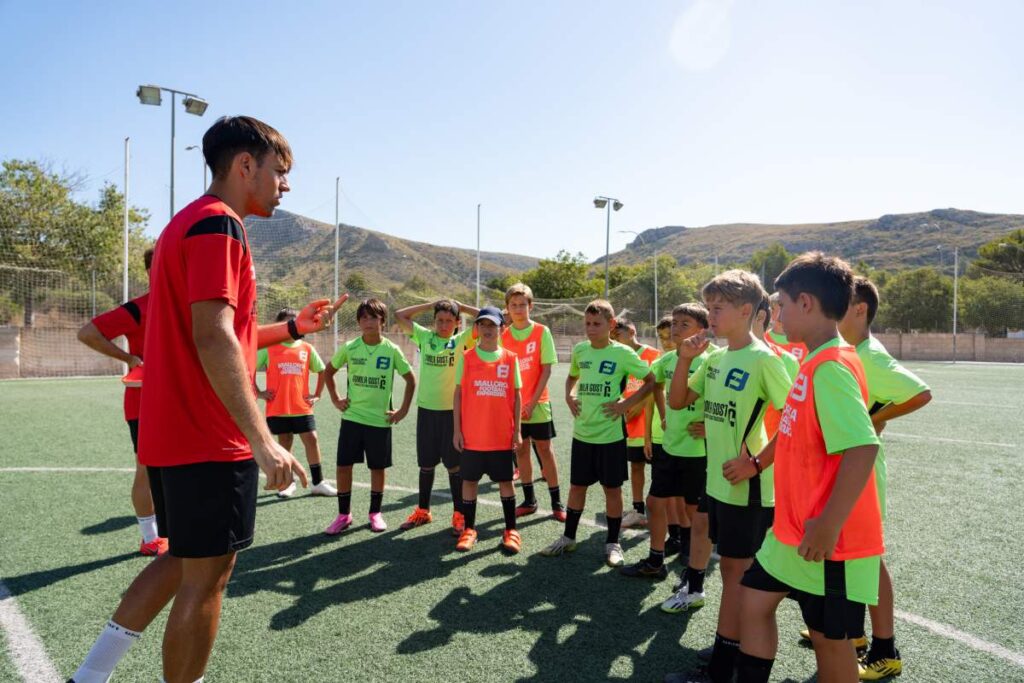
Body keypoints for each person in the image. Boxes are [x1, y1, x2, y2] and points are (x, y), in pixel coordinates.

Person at [70, 115, 339, 683]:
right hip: (209, 436)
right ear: (246, 165)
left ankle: (89, 677)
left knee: (180, 560)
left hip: (173, 431)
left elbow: (227, 333)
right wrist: (262, 440)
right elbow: (213, 335)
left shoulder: (183, 225)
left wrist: (292, 331)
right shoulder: (220, 225)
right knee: (207, 576)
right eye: (280, 172)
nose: (285, 185)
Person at [734, 252, 883, 683]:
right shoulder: (811, 359)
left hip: (828, 541)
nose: (775, 313)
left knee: (829, 642)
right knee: (753, 600)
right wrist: (758, 464)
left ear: (806, 303)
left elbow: (862, 449)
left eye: (780, 303)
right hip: (791, 533)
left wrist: (828, 525)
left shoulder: (832, 367)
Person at [663, 270, 792, 683]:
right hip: (717, 485)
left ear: (745, 311)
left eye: (717, 308)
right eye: (709, 306)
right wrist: (684, 359)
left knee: (736, 577)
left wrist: (756, 463)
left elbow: (796, 421)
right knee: (733, 577)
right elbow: (679, 400)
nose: (710, 315)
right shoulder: (716, 358)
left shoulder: (763, 360)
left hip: (747, 489)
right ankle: (726, 653)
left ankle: (723, 667)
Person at [831, 275, 930, 680]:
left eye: (842, 301)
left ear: (860, 310)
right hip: (842, 469)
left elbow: (920, 393)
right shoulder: (846, 351)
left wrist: (875, 417)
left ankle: (885, 650)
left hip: (864, 472)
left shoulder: (870, 356)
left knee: (868, 556)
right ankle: (853, 636)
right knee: (847, 553)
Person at [540, 300, 655, 567]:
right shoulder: (581, 351)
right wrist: (569, 396)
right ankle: (568, 538)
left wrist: (626, 404)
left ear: (611, 325)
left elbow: (650, 381)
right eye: (588, 324)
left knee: (611, 489)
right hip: (583, 434)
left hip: (610, 435)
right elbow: (572, 377)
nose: (591, 329)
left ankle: (613, 543)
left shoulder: (623, 354)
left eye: (597, 324)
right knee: (577, 486)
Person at [77, 248, 168, 556]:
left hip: (181, 400)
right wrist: (129, 358)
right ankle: (150, 536)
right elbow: (88, 333)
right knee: (146, 469)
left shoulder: (189, 306)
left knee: (181, 469)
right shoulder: (139, 308)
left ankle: (176, 531)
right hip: (144, 402)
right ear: (152, 270)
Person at [621, 304, 713, 586]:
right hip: (670, 446)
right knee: (654, 502)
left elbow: (727, 402)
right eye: (674, 323)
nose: (675, 329)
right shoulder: (667, 360)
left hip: (698, 452)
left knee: (693, 511)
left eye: (684, 324)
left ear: (702, 329)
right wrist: (625, 405)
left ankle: (693, 565)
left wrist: (711, 426)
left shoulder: (713, 360)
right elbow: (652, 386)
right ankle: (655, 560)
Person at [324, 298, 416, 535]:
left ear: (382, 321)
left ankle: (375, 513)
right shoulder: (350, 347)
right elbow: (329, 371)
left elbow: (410, 379)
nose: (368, 321)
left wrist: (403, 410)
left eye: (373, 317)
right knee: (344, 466)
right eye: (364, 317)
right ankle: (344, 515)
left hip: (379, 421)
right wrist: (335, 398)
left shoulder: (391, 350)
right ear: (358, 322)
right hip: (352, 418)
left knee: (377, 468)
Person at [394, 298, 479, 533]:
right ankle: (423, 511)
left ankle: (459, 514)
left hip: (452, 413)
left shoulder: (462, 340)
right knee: (426, 465)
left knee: (454, 466)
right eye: (439, 320)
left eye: (449, 321)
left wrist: (461, 306)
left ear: (457, 324)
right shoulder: (425, 337)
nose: (443, 325)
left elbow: (487, 316)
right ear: (433, 322)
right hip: (426, 411)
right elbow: (400, 314)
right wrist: (430, 304)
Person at [452, 306, 524, 553]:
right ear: (476, 329)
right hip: (472, 435)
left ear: (502, 329)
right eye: (482, 324)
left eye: (492, 325)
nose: (487, 329)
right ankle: (469, 529)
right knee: (469, 481)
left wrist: (517, 431)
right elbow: (459, 394)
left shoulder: (510, 358)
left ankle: (511, 530)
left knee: (506, 481)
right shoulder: (468, 357)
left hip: (501, 436)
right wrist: (456, 430)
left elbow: (517, 396)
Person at [255, 308, 337, 498]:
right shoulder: (269, 347)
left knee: (312, 439)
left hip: (302, 407)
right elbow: (248, 368)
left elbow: (322, 370)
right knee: (285, 442)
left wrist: (317, 394)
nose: (292, 326)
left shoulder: (307, 349)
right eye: (287, 323)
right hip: (278, 408)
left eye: (295, 322)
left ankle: (318, 482)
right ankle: (288, 483)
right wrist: (258, 392)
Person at [501, 283, 565, 522]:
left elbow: (546, 370)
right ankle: (529, 501)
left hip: (538, 404)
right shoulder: (503, 336)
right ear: (507, 308)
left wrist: (531, 402)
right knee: (522, 451)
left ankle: (557, 502)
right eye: (513, 305)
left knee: (546, 451)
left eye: (522, 305)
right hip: (514, 407)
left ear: (531, 306)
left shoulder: (541, 332)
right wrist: (516, 405)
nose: (518, 309)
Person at [610, 318, 661, 529]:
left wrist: (638, 406)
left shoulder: (653, 355)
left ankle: (661, 511)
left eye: (617, 335)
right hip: (630, 423)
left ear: (631, 331)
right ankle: (638, 510)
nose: (614, 340)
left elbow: (656, 387)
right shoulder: (618, 356)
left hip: (651, 424)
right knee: (637, 467)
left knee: (658, 468)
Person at [767, 291, 809, 362]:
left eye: (784, 308)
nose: (780, 315)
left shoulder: (805, 342)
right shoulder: (762, 339)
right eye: (774, 309)